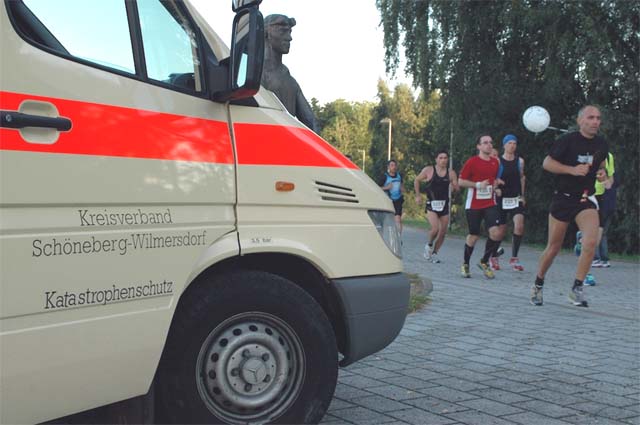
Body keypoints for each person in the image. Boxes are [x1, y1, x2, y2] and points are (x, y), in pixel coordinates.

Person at [530, 105, 608, 307]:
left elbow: (601, 165)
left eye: (598, 118)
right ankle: (538, 284)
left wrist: (602, 173)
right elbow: (547, 163)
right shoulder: (567, 140)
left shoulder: (601, 143)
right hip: (563, 198)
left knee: (591, 242)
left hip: (585, 199)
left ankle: (577, 288)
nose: (595, 122)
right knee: (554, 247)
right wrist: (572, 170)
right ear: (580, 121)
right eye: (591, 117)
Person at [262, 14, 318, 132]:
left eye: (290, 32)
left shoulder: (289, 80)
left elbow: (311, 123)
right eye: (283, 31)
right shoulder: (251, 73)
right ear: (266, 32)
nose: (289, 38)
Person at [458, 135, 502, 279]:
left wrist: (495, 186)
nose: (489, 145)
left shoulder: (495, 162)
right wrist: (477, 185)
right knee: (474, 236)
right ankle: (465, 264)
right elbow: (461, 181)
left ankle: (484, 261)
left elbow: (493, 179)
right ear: (479, 146)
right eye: (485, 143)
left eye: (490, 142)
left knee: (495, 233)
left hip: (490, 202)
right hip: (474, 204)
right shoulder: (472, 162)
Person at [414, 150, 459, 263]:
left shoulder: (451, 173)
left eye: (445, 158)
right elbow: (417, 180)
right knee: (435, 229)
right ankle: (429, 245)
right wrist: (418, 196)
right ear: (436, 159)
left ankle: (434, 254)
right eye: (441, 158)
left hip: (444, 204)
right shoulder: (429, 170)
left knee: (443, 232)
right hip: (432, 204)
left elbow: (456, 188)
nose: (443, 160)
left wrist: (455, 187)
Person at [492, 134, 526, 271]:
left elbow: (522, 177)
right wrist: (495, 189)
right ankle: (493, 256)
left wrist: (523, 195)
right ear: (504, 145)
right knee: (501, 230)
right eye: (510, 143)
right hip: (502, 198)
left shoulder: (520, 161)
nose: (512, 146)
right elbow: (492, 178)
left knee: (519, 225)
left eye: (514, 143)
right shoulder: (498, 162)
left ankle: (514, 258)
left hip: (515, 198)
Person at [592, 153, 615, 268]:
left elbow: (611, 178)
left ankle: (596, 258)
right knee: (600, 228)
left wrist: (606, 182)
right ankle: (602, 258)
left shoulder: (608, 156)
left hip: (600, 195)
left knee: (597, 228)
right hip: (592, 194)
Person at [379, 159, 405, 233]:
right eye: (392, 165)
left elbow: (403, 189)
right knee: (386, 220)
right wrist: (386, 187)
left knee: (398, 219)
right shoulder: (384, 177)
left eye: (395, 165)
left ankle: (399, 239)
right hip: (388, 200)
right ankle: (382, 234)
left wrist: (402, 188)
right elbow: (377, 188)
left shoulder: (399, 176)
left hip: (398, 200)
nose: (394, 167)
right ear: (388, 167)